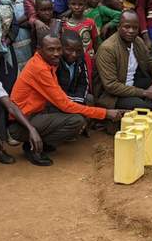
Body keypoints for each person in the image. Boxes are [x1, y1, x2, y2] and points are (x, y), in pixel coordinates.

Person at [10, 34, 123, 166]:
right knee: (76, 121)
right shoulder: (40, 68)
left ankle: (40, 143)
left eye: (59, 49)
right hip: (22, 123)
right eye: (51, 49)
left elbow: (77, 90)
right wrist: (105, 113)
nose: (56, 53)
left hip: (36, 113)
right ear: (39, 49)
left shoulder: (46, 62)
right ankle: (32, 147)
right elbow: (65, 105)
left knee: (79, 109)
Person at [95, 11, 152, 110]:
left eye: (135, 28)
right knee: (143, 107)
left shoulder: (138, 41)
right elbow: (111, 86)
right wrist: (145, 93)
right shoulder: (108, 49)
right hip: (113, 95)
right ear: (118, 27)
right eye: (127, 27)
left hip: (133, 83)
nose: (131, 31)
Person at [62, 0, 98, 86]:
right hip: (73, 59)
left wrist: (96, 55)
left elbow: (95, 41)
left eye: (80, 4)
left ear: (85, 5)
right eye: (73, 4)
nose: (77, 7)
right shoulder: (65, 24)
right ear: (69, 5)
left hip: (89, 59)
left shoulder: (90, 22)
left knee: (90, 80)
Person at [2, 0, 32, 71]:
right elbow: (3, 26)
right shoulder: (0, 2)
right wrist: (19, 23)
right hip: (11, 45)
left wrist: (13, 24)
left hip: (28, 43)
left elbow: (31, 20)